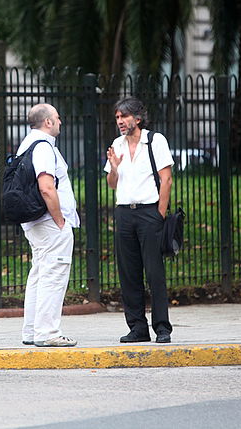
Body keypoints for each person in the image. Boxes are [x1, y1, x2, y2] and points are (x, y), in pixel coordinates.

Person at [104, 97, 174, 344]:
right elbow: (112, 184)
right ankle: (137, 327)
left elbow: (166, 179)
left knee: (154, 273)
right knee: (128, 273)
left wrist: (159, 214)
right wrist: (114, 168)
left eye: (124, 116)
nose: (120, 121)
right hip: (124, 213)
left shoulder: (155, 141)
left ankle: (162, 328)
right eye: (117, 118)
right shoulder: (117, 145)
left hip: (149, 213)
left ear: (138, 118)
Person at [18, 103, 80, 347]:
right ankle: (48, 332)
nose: (60, 121)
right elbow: (46, 186)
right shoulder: (43, 147)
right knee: (53, 275)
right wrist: (60, 220)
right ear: (48, 122)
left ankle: (32, 331)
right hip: (49, 222)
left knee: (39, 274)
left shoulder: (27, 144)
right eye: (57, 117)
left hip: (35, 223)